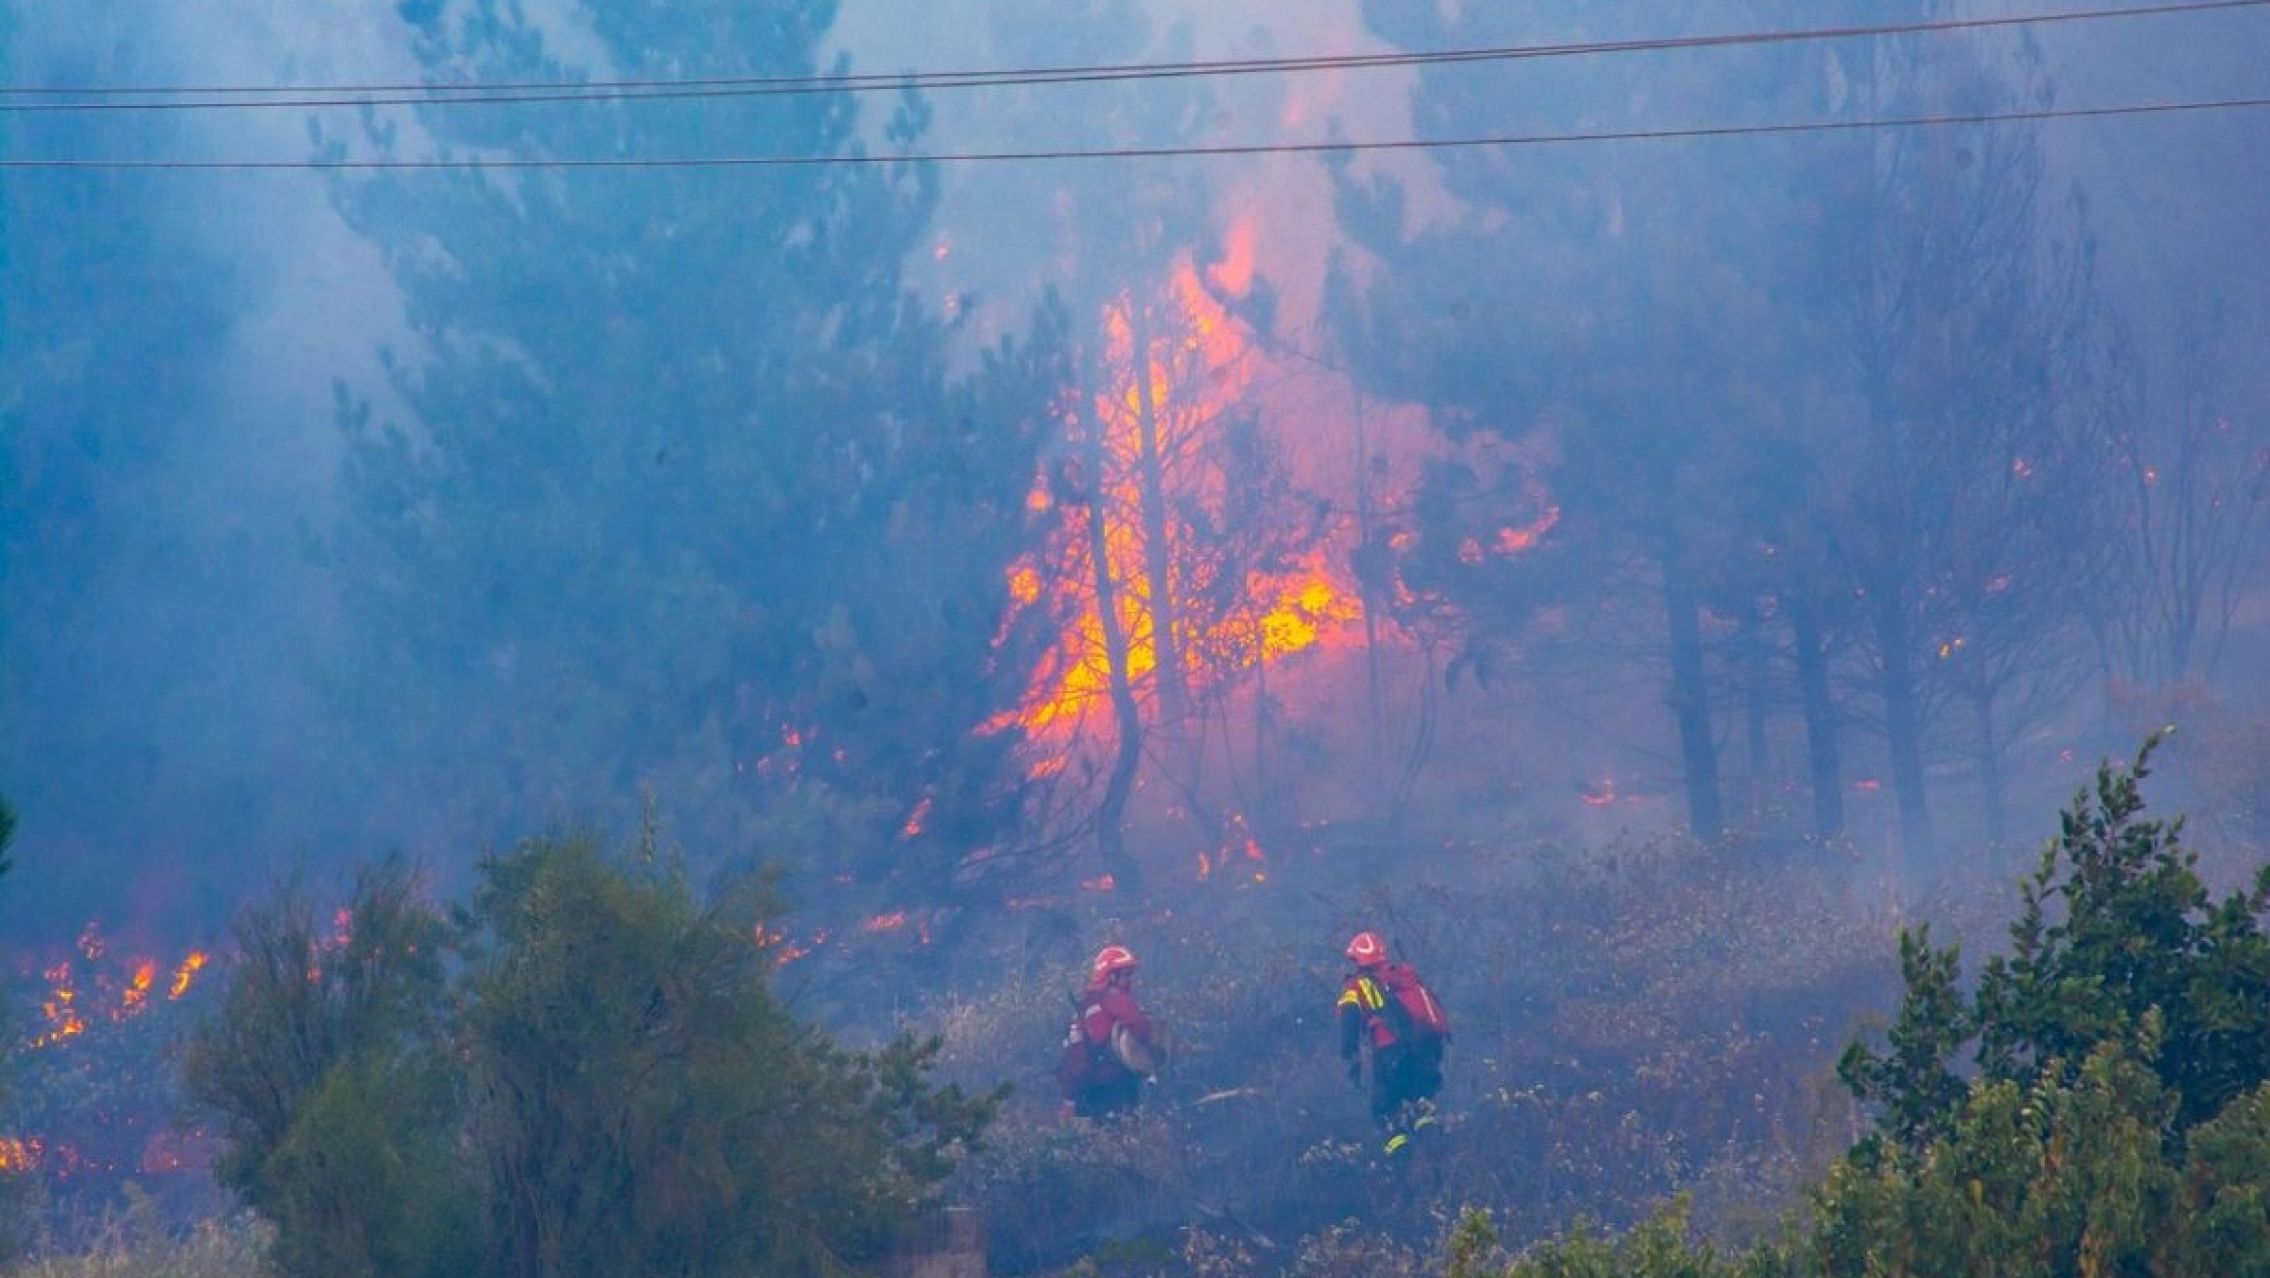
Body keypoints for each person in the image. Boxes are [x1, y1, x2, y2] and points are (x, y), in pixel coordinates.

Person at [1337, 930, 1449, 1156]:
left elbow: (1349, 1019)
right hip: (1426, 1050)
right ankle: (1438, 1156)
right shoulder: (1405, 976)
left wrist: (1350, 1055)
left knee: (1386, 1113)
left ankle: (1403, 1169)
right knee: (1422, 1106)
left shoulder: (1358, 986)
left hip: (1390, 1054)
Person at [1058, 944, 1160, 1120]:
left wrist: (1069, 1101)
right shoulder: (1113, 997)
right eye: (1126, 975)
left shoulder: (1084, 1008)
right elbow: (1141, 1028)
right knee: (1129, 1134)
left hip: (1089, 1093)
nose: (1129, 981)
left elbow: (1074, 1059)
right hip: (1118, 1087)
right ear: (1111, 976)